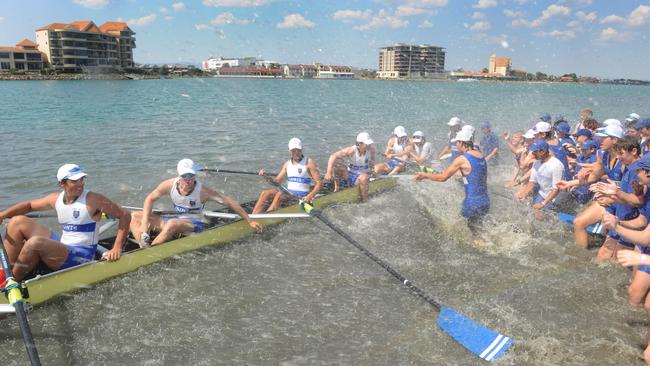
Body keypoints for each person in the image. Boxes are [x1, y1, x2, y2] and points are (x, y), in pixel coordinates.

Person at [0, 164, 131, 281]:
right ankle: (5, 272)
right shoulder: (55, 198)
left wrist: (117, 247)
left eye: (82, 179)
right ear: (62, 184)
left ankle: (11, 283)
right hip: (64, 245)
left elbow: (124, 215)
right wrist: (3, 214)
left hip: (81, 256)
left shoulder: (93, 199)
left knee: (35, 243)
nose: (80, 184)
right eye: (74, 181)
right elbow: (29, 205)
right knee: (17, 222)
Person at [130, 159, 262, 247]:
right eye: (185, 177)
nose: (188, 180)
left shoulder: (203, 192)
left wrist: (249, 220)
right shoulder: (168, 185)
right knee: (134, 216)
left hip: (194, 223)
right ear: (178, 175)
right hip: (174, 217)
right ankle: (144, 243)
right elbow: (149, 199)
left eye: (191, 176)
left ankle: (149, 253)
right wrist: (144, 224)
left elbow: (229, 202)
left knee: (171, 224)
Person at [415, 127, 489, 244]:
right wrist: (459, 174)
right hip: (485, 202)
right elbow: (472, 173)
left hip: (471, 203)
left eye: (456, 143)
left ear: (461, 142)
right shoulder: (480, 155)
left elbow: (443, 178)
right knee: (479, 229)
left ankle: (483, 249)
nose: (456, 145)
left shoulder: (461, 159)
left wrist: (424, 175)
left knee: (468, 233)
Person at [556, 124, 624, 248]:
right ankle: (580, 256)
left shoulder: (625, 158)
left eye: (604, 138)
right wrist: (569, 183)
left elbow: (634, 189)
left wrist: (611, 197)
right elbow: (593, 177)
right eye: (600, 137)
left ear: (615, 140)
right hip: (608, 199)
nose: (600, 140)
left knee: (611, 245)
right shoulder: (604, 155)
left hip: (623, 202)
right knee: (578, 222)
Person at [589, 136, 643, 261]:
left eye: (621, 153)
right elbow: (626, 196)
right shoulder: (630, 168)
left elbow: (637, 201)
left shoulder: (638, 171)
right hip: (619, 216)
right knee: (603, 256)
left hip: (629, 220)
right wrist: (610, 196)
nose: (618, 157)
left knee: (618, 262)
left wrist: (614, 194)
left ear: (634, 151)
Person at [253, 138, 322, 214]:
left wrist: (310, 196)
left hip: (301, 195)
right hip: (288, 192)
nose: (296, 153)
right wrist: (266, 177)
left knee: (280, 194)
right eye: (293, 151)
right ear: (289, 150)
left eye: (298, 150)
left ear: (301, 149)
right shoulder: (287, 164)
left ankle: (266, 217)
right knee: (265, 193)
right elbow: (276, 182)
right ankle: (253, 216)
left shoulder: (309, 162)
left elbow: (319, 183)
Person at [515, 140, 566, 220]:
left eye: (535, 152)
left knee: (542, 217)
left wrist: (543, 203)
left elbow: (557, 188)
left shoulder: (556, 166)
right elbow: (532, 182)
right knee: (530, 212)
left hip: (555, 197)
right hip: (542, 193)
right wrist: (524, 194)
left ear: (543, 151)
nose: (533, 154)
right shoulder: (537, 163)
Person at [324, 132, 376, 202]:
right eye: (366, 144)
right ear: (359, 143)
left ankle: (365, 200)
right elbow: (333, 156)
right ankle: (337, 188)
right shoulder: (351, 150)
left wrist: (373, 171)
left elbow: (372, 163)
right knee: (337, 163)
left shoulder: (371, 150)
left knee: (364, 177)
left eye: (369, 143)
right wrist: (328, 172)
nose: (368, 145)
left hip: (363, 176)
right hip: (350, 174)